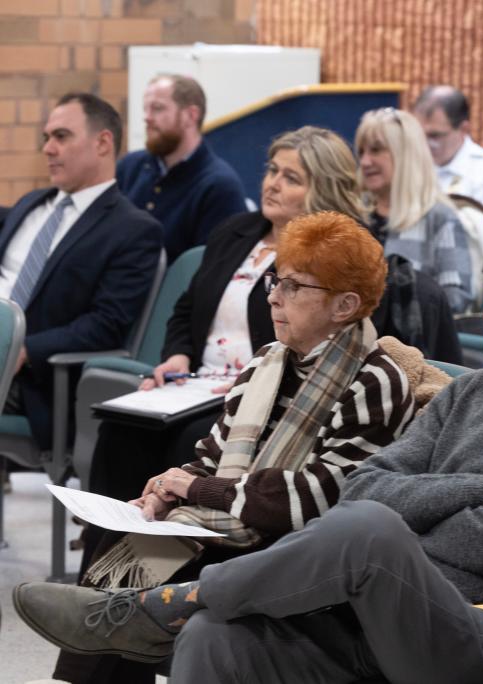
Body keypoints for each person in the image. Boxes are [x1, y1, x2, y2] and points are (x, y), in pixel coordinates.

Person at [14, 229, 483, 684]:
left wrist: (405, 531)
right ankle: (176, 610)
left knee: (369, 532)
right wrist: (474, 490)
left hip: (481, 631)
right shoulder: (472, 392)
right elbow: (365, 486)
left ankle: (159, 606)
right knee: (216, 636)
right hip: (361, 607)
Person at [49, 211, 416, 684]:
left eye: (294, 287)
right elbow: (210, 456)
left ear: (344, 306)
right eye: (275, 282)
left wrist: (194, 490)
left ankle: (92, 643)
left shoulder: (377, 381)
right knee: (132, 531)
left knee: (158, 564)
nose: (274, 298)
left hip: (299, 549)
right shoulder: (268, 361)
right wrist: (166, 491)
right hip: (240, 524)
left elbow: (317, 500)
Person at [88, 125, 371, 516]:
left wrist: (248, 383)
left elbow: (327, 345)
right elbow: (187, 309)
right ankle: (111, 554)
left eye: (291, 178)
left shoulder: (334, 263)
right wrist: (178, 357)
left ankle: (174, 555)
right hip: (193, 385)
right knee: (120, 430)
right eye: (272, 170)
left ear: (324, 189)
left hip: (262, 394)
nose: (272, 184)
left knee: (187, 440)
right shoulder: (235, 232)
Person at [0, 92, 162, 450]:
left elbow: (106, 324)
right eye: (46, 138)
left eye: (61, 136)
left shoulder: (132, 229)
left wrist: (22, 349)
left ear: (103, 143)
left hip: (31, 378)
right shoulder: (32, 204)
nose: (48, 148)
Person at [117, 74, 248, 261]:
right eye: (145, 109)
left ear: (190, 115)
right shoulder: (129, 167)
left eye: (157, 108)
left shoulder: (219, 186)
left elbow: (214, 270)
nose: (147, 118)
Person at [356, 107, 474, 313]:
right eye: (361, 151)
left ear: (405, 155)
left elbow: (455, 298)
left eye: (376, 150)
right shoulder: (353, 214)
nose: (365, 161)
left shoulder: (439, 218)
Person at [413, 84, 483, 243]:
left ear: (464, 129)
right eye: (419, 134)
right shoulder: (412, 164)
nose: (425, 143)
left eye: (435, 136)